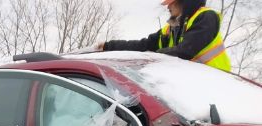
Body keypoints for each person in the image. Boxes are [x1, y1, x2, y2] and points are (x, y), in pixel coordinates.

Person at [98, 0, 231, 72]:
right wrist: (109, 46)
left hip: (216, 81)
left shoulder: (206, 17)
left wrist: (153, 56)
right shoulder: (171, 28)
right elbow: (142, 45)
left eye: (171, 2)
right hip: (195, 82)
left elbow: (185, 51)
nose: (168, 7)